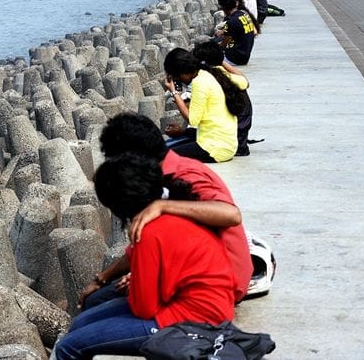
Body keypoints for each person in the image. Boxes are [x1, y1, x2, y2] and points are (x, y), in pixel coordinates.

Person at [53, 153, 236, 359]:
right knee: (80, 323)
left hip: (196, 320)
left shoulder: (148, 232)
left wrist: (138, 283)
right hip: (200, 304)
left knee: (68, 346)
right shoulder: (173, 207)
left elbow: (144, 308)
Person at [77, 113, 252, 311]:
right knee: (96, 302)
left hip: (221, 282)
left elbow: (231, 215)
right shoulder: (162, 174)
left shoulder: (185, 174)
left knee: (98, 310)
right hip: (193, 272)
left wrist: (163, 206)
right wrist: (103, 277)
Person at [163, 48, 244, 163]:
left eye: (177, 77)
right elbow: (244, 82)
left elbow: (193, 120)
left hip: (214, 148)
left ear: (183, 72)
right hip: (227, 144)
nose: (178, 80)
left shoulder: (199, 83)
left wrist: (175, 93)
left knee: (164, 156)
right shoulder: (206, 75)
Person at [193, 41, 253, 156]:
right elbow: (245, 81)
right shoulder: (229, 78)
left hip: (224, 140)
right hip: (239, 138)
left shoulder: (207, 81)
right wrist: (221, 62)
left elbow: (194, 119)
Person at [216, 0, 256, 65]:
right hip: (245, 55)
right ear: (236, 3)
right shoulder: (244, 15)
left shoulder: (231, 22)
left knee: (205, 60)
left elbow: (223, 45)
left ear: (223, 7)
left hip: (234, 58)